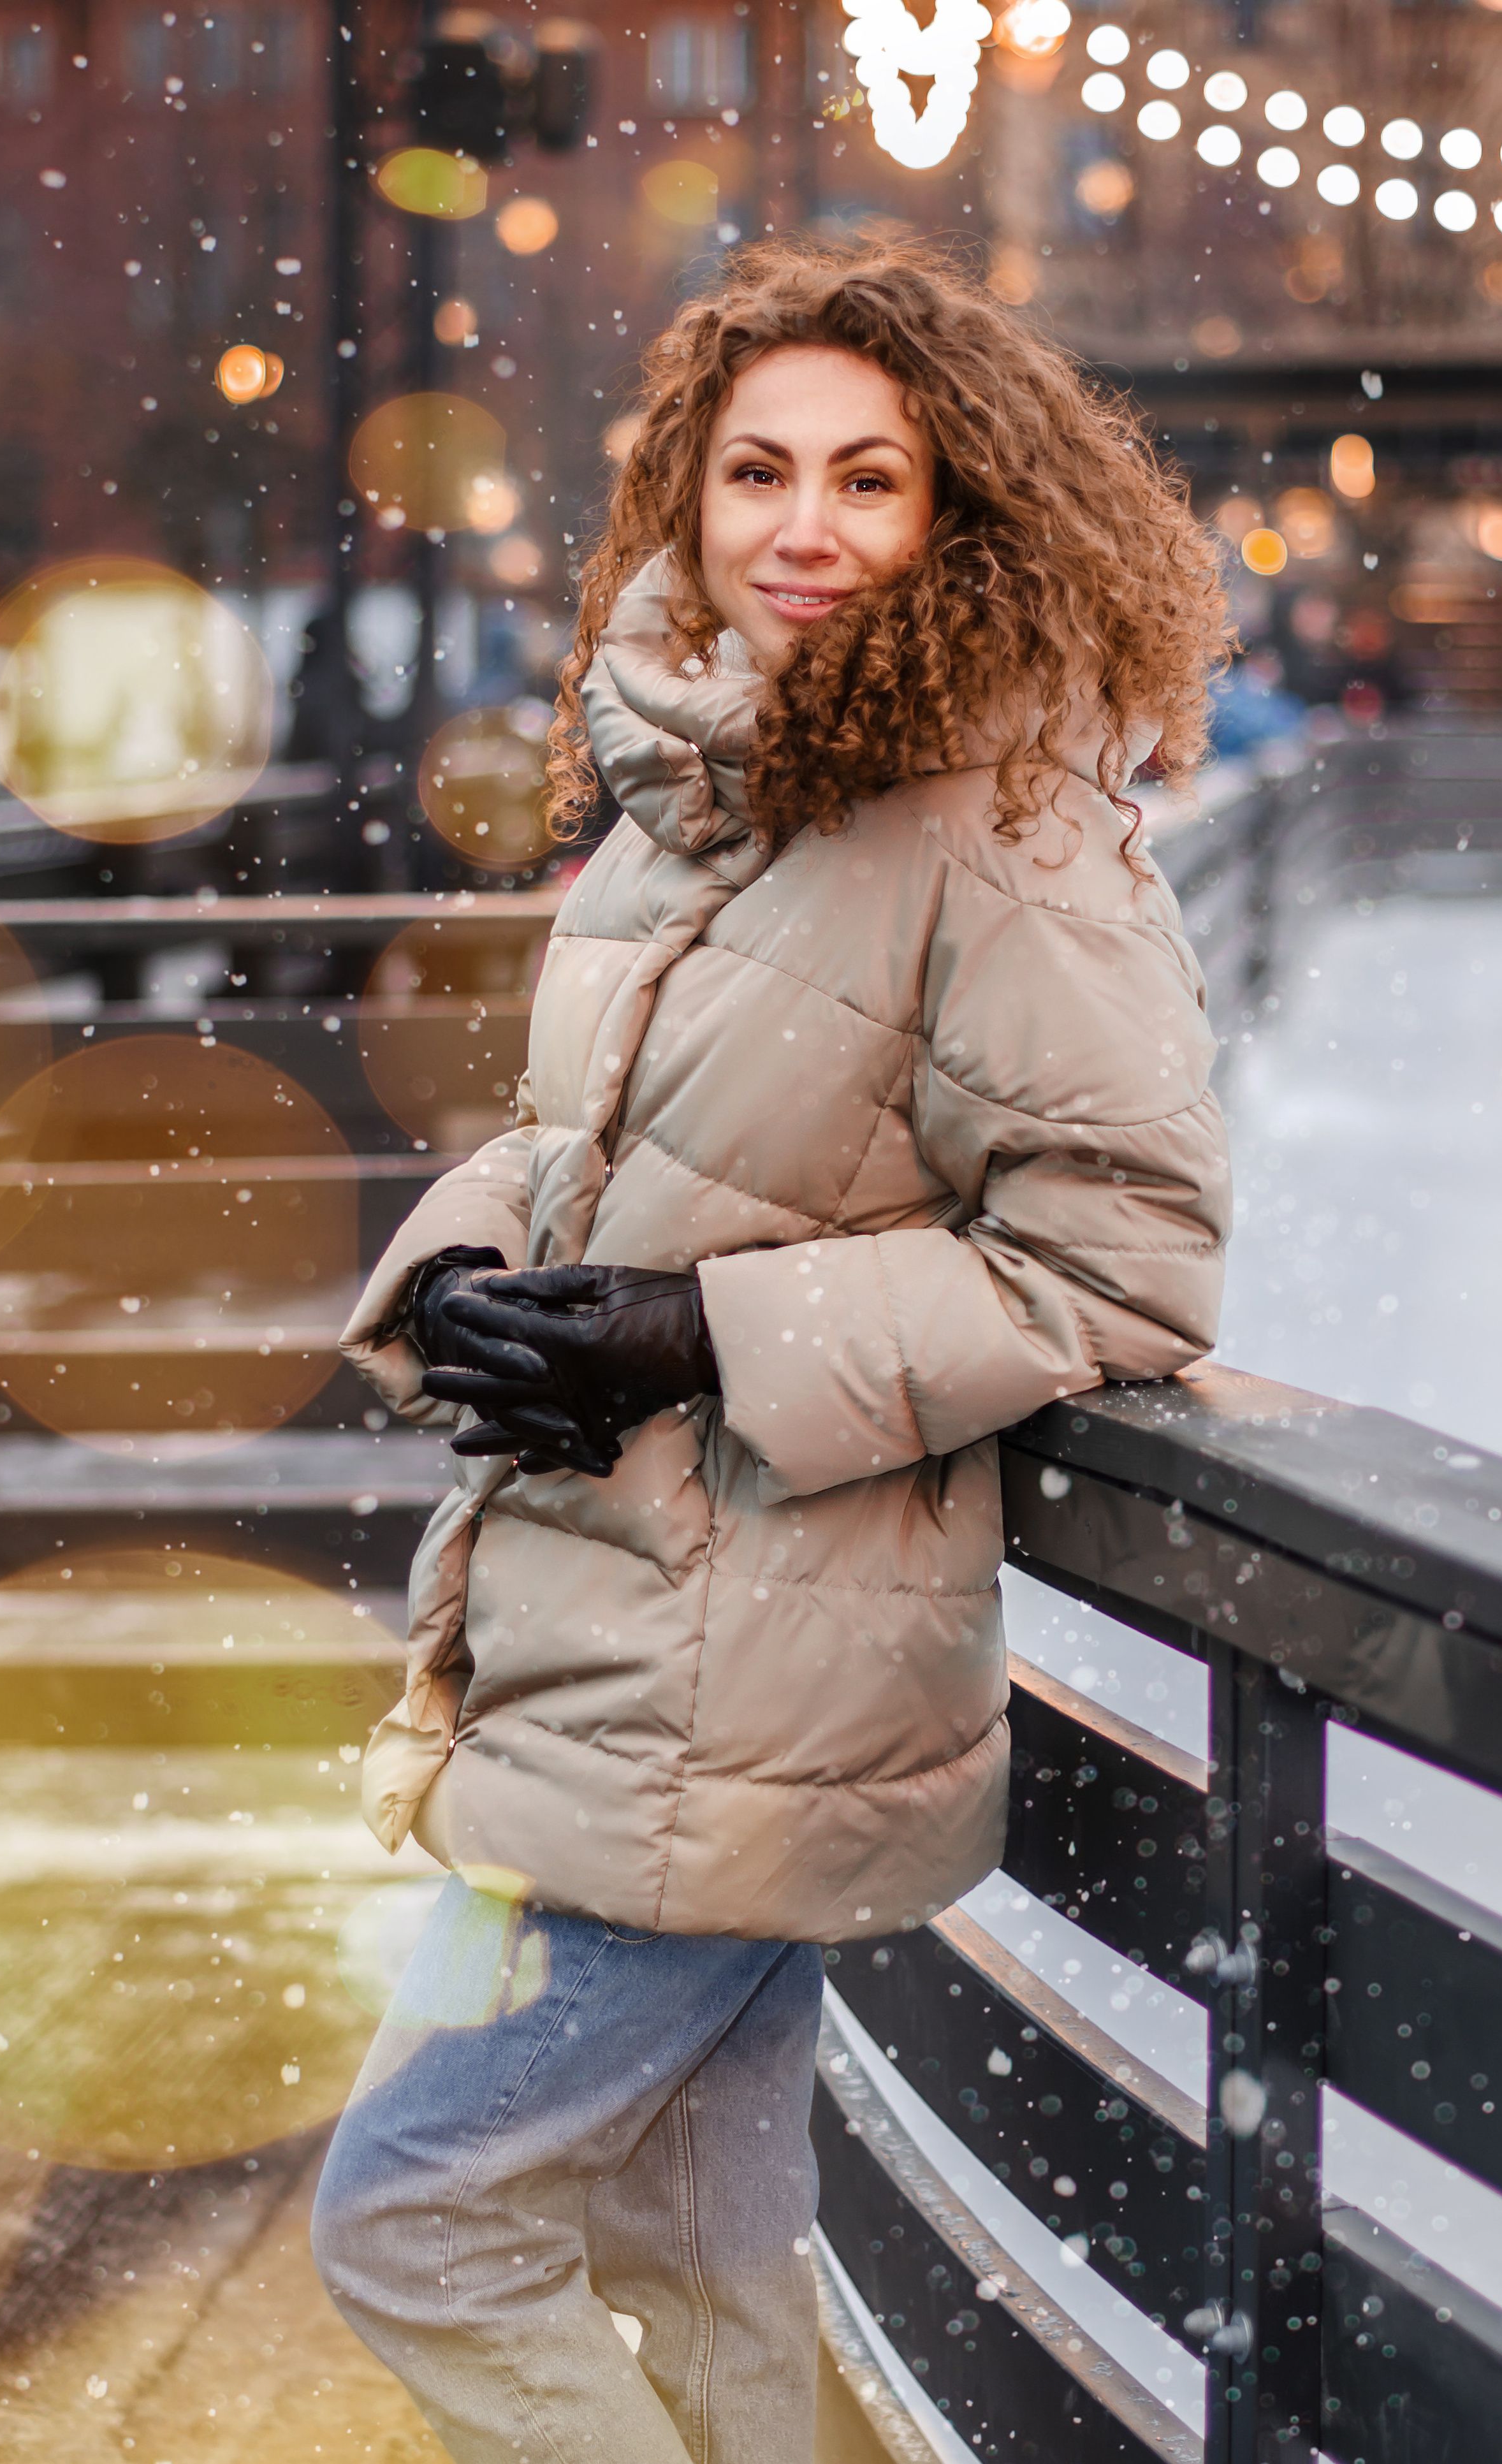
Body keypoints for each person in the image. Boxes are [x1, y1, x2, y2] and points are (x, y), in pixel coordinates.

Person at [310, 238, 1232, 2464]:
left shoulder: (1000, 825)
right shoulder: (691, 797)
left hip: (746, 1699)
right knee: (703, 2251)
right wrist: (467, 1276)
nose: (801, 528)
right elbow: (572, 1143)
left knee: (407, 2219)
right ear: (686, 500)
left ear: (958, 515)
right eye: (756, 472)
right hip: (612, 1650)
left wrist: (704, 1334)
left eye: (868, 479)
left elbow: (1128, 1257)